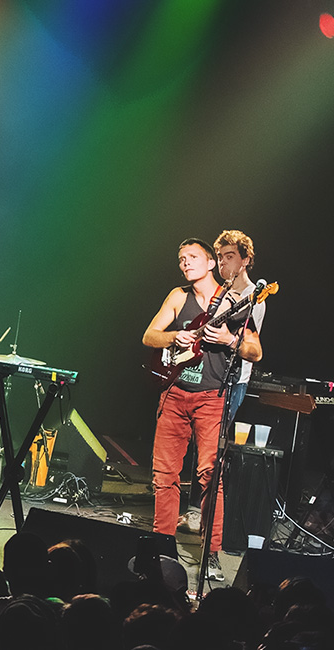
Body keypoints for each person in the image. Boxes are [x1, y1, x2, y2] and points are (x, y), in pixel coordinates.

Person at [142, 238, 262, 581]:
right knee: (164, 476)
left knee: (210, 476)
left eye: (193, 257)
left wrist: (227, 340)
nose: (185, 263)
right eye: (181, 258)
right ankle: (162, 547)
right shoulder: (178, 296)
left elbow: (255, 351)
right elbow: (150, 335)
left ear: (211, 263)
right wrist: (173, 337)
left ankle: (211, 553)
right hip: (174, 393)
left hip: (211, 398)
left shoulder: (232, 302)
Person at [213, 229, 266, 421]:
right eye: (220, 256)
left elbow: (249, 345)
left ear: (245, 260)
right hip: (208, 377)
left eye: (230, 256)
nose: (223, 261)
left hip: (232, 382)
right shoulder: (217, 292)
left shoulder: (254, 297)